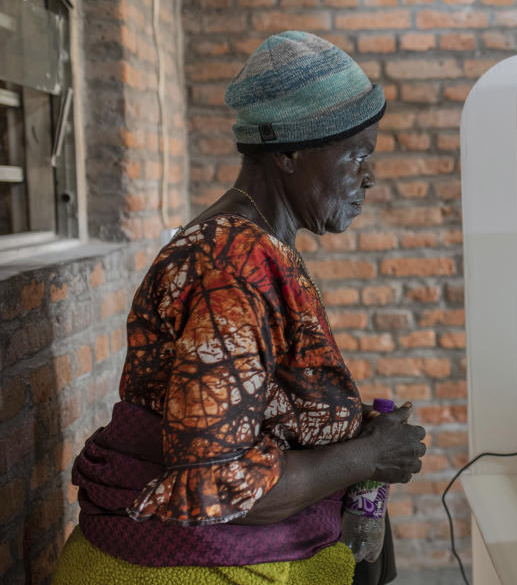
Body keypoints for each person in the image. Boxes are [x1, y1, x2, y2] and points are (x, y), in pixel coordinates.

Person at [52, 31, 427, 585]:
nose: (368, 175)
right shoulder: (228, 268)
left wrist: (353, 432)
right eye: (356, 153)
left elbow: (261, 404)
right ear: (292, 152)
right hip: (189, 557)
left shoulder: (254, 247)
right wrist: (365, 458)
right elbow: (218, 483)